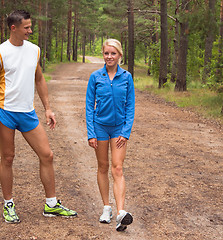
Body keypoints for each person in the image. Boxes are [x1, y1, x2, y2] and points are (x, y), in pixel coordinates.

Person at [0, 10, 77, 223]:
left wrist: (48, 108)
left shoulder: (34, 50)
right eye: (26, 27)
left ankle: (51, 204)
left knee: (47, 155)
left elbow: (40, 79)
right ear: (13, 28)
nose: (30, 30)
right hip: (6, 112)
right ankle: (8, 204)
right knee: (8, 158)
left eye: (30, 26)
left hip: (27, 112)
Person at [85, 39, 135, 231]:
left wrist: (126, 131)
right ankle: (107, 208)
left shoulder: (127, 77)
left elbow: (130, 106)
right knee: (103, 166)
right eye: (106, 53)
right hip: (100, 128)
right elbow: (89, 106)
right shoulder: (95, 77)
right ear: (103, 55)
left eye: (113, 53)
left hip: (119, 130)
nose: (109, 57)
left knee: (118, 168)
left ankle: (121, 213)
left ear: (120, 55)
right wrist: (91, 133)